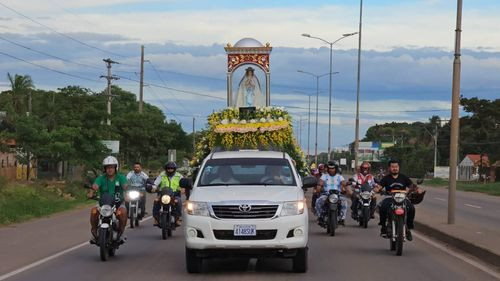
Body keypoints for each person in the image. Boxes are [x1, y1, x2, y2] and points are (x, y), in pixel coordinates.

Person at [374, 160, 424, 241]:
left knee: (411, 208)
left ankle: (408, 228)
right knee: (382, 207)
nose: (395, 168)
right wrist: (377, 189)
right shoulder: (386, 178)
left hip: (403, 197)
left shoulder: (403, 177)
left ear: (399, 168)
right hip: (389, 197)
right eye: (393, 167)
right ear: (389, 168)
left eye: (396, 167)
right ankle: (383, 227)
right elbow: (379, 186)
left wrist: (417, 189)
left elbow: (411, 186)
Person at [89, 156, 128, 243]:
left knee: (123, 212)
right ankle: (94, 231)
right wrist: (91, 191)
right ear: (105, 169)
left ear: (115, 168)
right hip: (103, 203)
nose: (109, 169)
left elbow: (125, 186)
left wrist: (127, 193)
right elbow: (95, 185)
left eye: (111, 167)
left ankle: (121, 233)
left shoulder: (121, 177)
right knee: (94, 211)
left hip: (118, 203)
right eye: (107, 167)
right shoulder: (101, 178)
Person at [315, 161, 347, 226]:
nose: (331, 170)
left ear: (336, 169)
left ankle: (342, 218)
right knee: (318, 201)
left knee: (344, 202)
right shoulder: (324, 176)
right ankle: (320, 216)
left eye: (333, 168)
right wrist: (318, 188)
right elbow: (320, 183)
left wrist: (344, 187)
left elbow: (343, 183)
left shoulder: (339, 177)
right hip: (326, 194)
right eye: (329, 168)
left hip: (337, 195)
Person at [151, 162, 183, 226]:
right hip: (163, 193)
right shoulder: (162, 175)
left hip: (175, 194)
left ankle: (178, 218)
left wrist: (183, 188)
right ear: (166, 169)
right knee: (156, 201)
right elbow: (156, 183)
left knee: (178, 201)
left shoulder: (179, 176)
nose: (170, 170)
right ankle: (156, 218)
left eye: (171, 168)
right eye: (168, 168)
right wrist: (154, 187)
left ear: (174, 169)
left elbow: (183, 183)